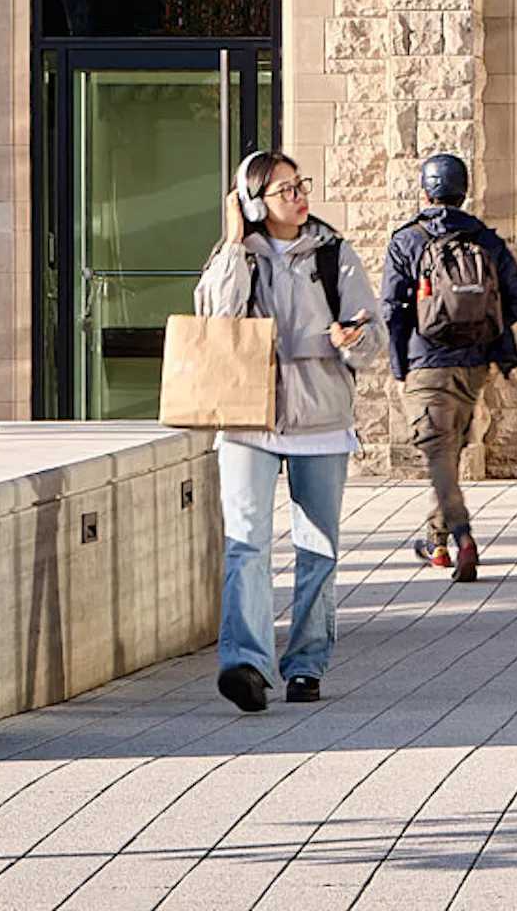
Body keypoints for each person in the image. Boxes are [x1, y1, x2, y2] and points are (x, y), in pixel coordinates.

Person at [192, 150, 378, 710]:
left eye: (300, 185)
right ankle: (245, 664)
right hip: (248, 419)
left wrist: (354, 339)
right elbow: (215, 321)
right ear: (252, 203)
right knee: (245, 543)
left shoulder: (333, 252)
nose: (299, 197)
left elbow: (373, 335)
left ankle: (305, 664)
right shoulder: (233, 257)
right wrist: (231, 246)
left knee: (317, 546)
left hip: (320, 419)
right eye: (284, 190)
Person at [380, 150, 517, 582]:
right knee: (449, 451)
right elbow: (516, 300)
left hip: (426, 361)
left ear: (425, 191)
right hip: (475, 362)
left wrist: (399, 364)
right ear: (463, 192)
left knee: (440, 454)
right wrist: (481, 329)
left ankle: (462, 536)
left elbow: (391, 309)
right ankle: (435, 543)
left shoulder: (407, 240)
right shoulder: (486, 240)